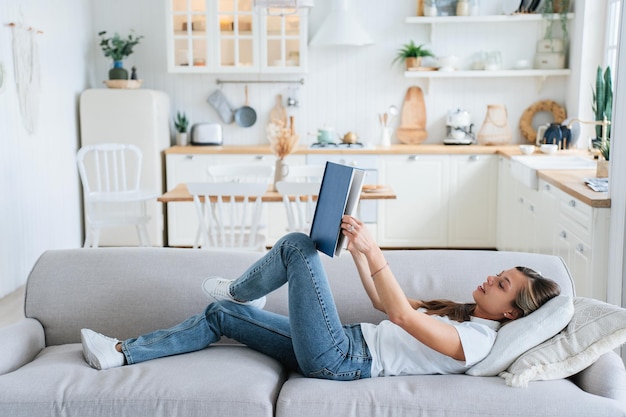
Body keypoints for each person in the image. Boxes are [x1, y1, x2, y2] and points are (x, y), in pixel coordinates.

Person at [81, 214, 561, 379]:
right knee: (220, 316)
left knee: (297, 247)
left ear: (513, 311)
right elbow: (381, 304)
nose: (489, 280)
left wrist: (377, 251)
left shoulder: (477, 341)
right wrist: (357, 252)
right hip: (338, 344)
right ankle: (122, 354)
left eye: (501, 285)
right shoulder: (461, 312)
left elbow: (398, 314)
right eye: (497, 274)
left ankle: (240, 288)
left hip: (342, 357)